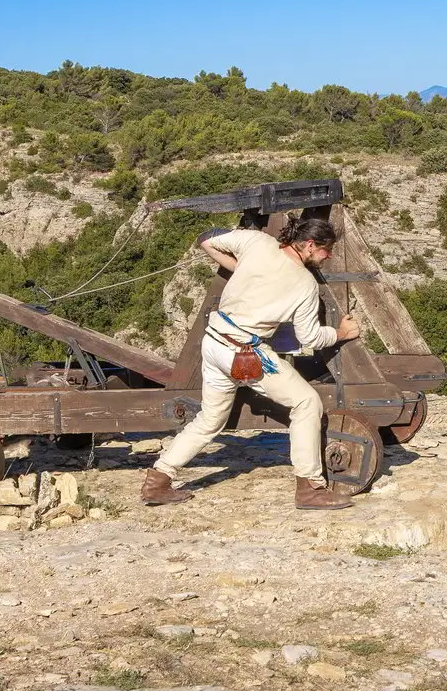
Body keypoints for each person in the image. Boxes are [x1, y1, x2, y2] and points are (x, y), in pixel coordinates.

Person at [140, 214, 362, 510]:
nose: (328, 256)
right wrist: (341, 332)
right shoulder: (304, 285)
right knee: (307, 402)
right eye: (326, 250)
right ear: (309, 245)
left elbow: (207, 237)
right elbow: (309, 337)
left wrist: (239, 267)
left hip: (215, 343)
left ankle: (158, 481)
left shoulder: (256, 242)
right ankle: (309, 489)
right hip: (245, 353)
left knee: (209, 419)